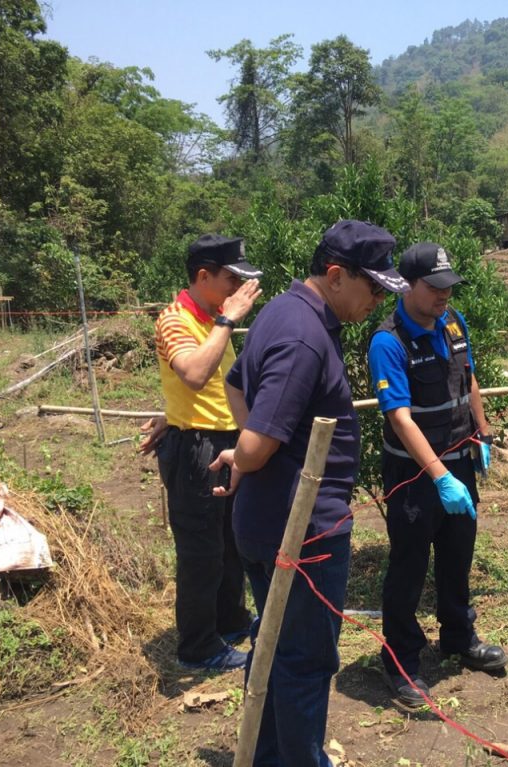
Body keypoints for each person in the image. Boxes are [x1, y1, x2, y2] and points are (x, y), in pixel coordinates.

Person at [210, 220, 408, 767]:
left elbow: (233, 385)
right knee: (304, 660)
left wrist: (252, 462)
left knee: (275, 647)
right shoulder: (302, 336)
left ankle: (268, 755)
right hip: (297, 533)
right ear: (338, 275)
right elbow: (256, 442)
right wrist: (248, 459)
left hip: (269, 521)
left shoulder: (283, 309)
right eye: (373, 288)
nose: (376, 301)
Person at [367, 242, 507, 711]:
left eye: (449, 285)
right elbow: (400, 418)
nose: (444, 295)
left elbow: (468, 379)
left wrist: (482, 433)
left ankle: (458, 638)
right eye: (435, 287)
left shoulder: (452, 323)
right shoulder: (388, 342)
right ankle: (402, 660)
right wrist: (438, 475)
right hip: (413, 474)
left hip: (460, 461)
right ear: (408, 285)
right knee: (408, 566)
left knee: (457, 554)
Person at [143, 234, 262, 670]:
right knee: (201, 550)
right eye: (232, 278)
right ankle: (197, 645)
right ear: (203, 276)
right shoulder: (176, 319)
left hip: (223, 441)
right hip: (196, 448)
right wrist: (228, 321)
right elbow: (194, 374)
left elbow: (213, 388)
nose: (237, 288)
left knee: (230, 541)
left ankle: (228, 621)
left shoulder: (212, 317)